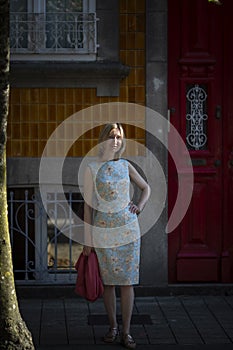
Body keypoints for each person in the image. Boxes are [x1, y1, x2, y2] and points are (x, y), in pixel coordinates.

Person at [82, 123, 151, 349]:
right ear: (103, 139)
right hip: (103, 232)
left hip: (128, 230)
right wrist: (87, 241)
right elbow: (87, 208)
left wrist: (139, 206)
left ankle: (127, 331)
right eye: (112, 136)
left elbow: (145, 187)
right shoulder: (91, 168)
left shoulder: (126, 165)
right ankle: (113, 327)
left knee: (127, 283)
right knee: (109, 283)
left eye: (119, 137)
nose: (115, 141)